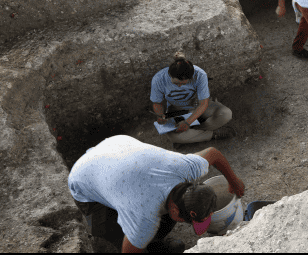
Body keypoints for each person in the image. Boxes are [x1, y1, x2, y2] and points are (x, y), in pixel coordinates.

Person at [68, 135, 246, 253]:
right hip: (85, 179)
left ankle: (154, 242)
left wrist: (234, 181)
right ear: (176, 210)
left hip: (116, 149)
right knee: (111, 236)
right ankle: (150, 246)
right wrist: (138, 241)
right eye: (187, 220)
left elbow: (212, 154)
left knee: (155, 221)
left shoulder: (186, 168)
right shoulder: (144, 214)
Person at [151, 52, 235, 144]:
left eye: (183, 83)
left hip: (197, 106)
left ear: (191, 77)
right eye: (176, 83)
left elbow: (203, 104)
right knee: (174, 137)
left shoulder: (200, 75)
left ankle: (192, 132)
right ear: (170, 75)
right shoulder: (159, 79)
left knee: (226, 114)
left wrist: (187, 123)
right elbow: (157, 103)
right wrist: (160, 115)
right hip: (176, 110)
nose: (179, 86)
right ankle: (213, 134)